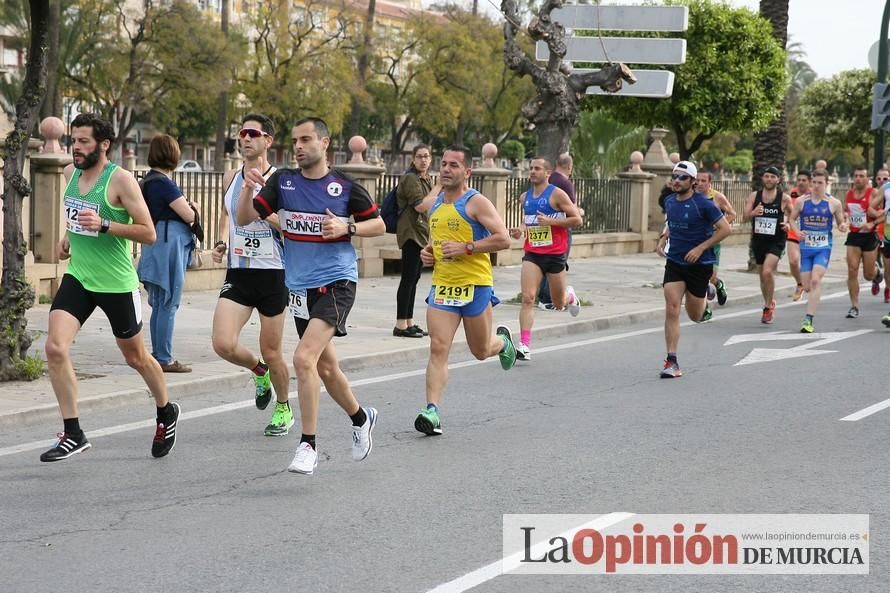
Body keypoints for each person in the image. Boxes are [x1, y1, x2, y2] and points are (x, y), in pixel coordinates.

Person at [236, 116, 384, 475]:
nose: (299, 147)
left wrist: (346, 226)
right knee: (326, 367)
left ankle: (308, 445)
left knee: (303, 359)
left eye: (306, 140)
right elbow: (243, 219)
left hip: (336, 283)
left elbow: (379, 224)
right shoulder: (283, 182)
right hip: (299, 287)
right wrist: (246, 188)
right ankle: (362, 418)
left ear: (324, 144)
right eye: (295, 141)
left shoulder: (344, 187)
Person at [41, 113, 180, 462]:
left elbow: (148, 232)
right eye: (74, 140)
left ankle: (166, 410)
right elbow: (78, 217)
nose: (76, 147)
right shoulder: (71, 174)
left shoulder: (120, 181)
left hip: (116, 283)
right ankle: (73, 433)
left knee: (135, 357)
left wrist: (105, 224)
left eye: (84, 141)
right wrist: (67, 238)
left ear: (104, 145)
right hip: (79, 277)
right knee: (55, 348)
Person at [414, 145, 516, 436]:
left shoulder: (477, 202)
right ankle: (431, 411)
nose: (446, 169)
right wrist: (428, 255)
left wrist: (467, 247)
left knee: (481, 351)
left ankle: (503, 343)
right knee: (438, 347)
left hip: (475, 285)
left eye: (454, 165)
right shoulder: (435, 205)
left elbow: (503, 239)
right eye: (444, 164)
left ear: (467, 172)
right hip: (443, 287)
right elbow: (434, 242)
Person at [210, 113, 292, 436]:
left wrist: (260, 208)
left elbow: (290, 226)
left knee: (273, 351)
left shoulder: (281, 181)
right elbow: (226, 214)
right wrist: (221, 241)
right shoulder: (232, 175)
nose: (245, 138)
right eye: (242, 133)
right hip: (239, 272)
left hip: (273, 274)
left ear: (268, 140)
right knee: (222, 343)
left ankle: (284, 406)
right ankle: (258, 371)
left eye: (253, 134)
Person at [656, 161, 730, 378]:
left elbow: (725, 229)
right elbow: (672, 223)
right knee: (672, 307)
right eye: (674, 177)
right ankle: (672, 361)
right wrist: (662, 240)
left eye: (682, 177)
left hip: (700, 264)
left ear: (693, 181)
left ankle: (708, 290)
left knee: (696, 316)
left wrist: (701, 248)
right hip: (676, 263)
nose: (677, 181)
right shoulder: (670, 201)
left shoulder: (704, 204)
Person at [509, 157, 583, 361]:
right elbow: (530, 222)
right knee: (528, 297)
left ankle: (569, 296)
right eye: (531, 168)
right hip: (533, 253)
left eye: (537, 169)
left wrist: (551, 221)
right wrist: (521, 229)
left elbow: (577, 219)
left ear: (547, 173)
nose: (532, 171)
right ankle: (524, 345)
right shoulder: (525, 197)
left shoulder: (557, 194)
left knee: (558, 303)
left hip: (555, 253)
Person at [136, 134, 195, 374]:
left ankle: (159, 354)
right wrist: (196, 208)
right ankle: (163, 357)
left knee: (160, 302)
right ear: (172, 154)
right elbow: (189, 215)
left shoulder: (149, 181)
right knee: (169, 301)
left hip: (157, 242)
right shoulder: (163, 183)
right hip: (168, 244)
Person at [790, 169, 847, 333]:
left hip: (823, 249)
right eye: (813, 182)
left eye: (819, 183)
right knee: (807, 286)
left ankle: (808, 319)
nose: (815, 186)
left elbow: (841, 222)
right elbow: (792, 219)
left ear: (826, 183)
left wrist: (842, 226)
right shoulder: (801, 201)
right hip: (806, 249)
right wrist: (796, 232)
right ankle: (807, 295)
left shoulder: (834, 203)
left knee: (815, 281)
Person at [393, 144, 434, 338]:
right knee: (408, 279)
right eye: (419, 157)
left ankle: (408, 321)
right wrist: (440, 186)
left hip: (421, 233)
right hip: (410, 233)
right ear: (413, 159)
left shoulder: (424, 179)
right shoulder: (410, 178)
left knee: (414, 278)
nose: (423, 160)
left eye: (426, 156)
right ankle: (400, 324)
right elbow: (420, 206)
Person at [743, 166, 792, 324]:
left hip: (776, 240)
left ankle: (768, 307)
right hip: (758, 240)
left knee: (767, 271)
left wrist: (789, 225)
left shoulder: (784, 198)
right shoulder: (754, 196)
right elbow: (744, 217)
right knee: (762, 276)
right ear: (762, 178)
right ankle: (769, 301)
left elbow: (793, 215)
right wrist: (753, 213)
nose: (769, 179)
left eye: (773, 176)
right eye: (767, 176)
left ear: (778, 180)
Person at [537, 152, 582, 310]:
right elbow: (573, 213)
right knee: (557, 263)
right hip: (560, 229)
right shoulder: (565, 183)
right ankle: (554, 297)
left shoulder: (546, 180)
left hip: (541, 228)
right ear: (569, 167)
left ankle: (545, 298)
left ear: (557, 164)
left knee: (542, 262)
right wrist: (580, 211)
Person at [843, 165, 882, 319]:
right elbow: (848, 211)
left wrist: (873, 223)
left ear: (867, 178)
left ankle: (877, 274)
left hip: (870, 236)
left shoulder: (873, 193)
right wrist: (845, 219)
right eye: (856, 176)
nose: (858, 178)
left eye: (861, 176)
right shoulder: (849, 193)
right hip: (854, 235)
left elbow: (884, 214)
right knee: (852, 270)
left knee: (868, 274)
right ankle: (854, 306)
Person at [696, 171, 736, 306]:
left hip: (713, 241)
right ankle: (705, 308)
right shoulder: (691, 196)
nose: (699, 183)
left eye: (703, 181)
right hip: (695, 240)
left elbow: (732, 214)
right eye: (697, 180)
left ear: (709, 182)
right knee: (697, 275)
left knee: (710, 276)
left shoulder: (718, 197)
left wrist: (718, 226)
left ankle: (718, 284)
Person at [787, 170, 811, 301]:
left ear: (809, 182)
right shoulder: (792, 194)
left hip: (809, 235)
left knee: (809, 264)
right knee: (793, 261)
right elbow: (786, 210)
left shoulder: (813, 195)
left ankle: (810, 282)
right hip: (793, 232)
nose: (801, 183)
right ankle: (800, 283)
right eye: (799, 180)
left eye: (804, 180)